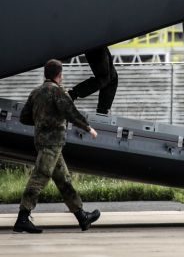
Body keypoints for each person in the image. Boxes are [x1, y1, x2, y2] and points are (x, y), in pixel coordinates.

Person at [13, 59, 102, 234]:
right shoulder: (58, 92)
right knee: (39, 178)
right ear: (59, 75)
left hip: (43, 142)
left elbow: (24, 117)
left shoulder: (36, 92)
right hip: (52, 143)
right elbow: (71, 112)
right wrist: (88, 127)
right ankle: (22, 218)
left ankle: (82, 217)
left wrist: (41, 121)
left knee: (64, 181)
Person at [68, 46, 118, 115]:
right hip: (94, 43)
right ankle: (71, 95)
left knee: (112, 78)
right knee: (104, 77)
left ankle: (102, 112)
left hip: (99, 43)